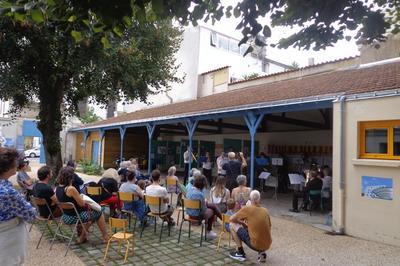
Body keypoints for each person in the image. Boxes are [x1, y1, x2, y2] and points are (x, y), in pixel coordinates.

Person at [0, 147, 36, 266]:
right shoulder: (7, 193)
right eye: (16, 161)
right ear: (8, 166)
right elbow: (30, 214)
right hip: (8, 241)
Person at [55, 166, 109, 244]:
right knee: (99, 213)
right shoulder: (70, 189)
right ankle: (105, 237)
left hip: (65, 216)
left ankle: (82, 237)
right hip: (74, 216)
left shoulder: (58, 188)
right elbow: (82, 204)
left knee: (91, 217)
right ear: (71, 177)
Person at [229, 190, 272, 263]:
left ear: (250, 199)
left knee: (232, 225)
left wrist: (241, 222)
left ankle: (240, 252)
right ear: (259, 199)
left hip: (255, 244)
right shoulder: (265, 210)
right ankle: (261, 253)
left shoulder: (248, 208)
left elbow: (231, 219)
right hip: (267, 244)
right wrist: (244, 224)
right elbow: (269, 226)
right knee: (259, 229)